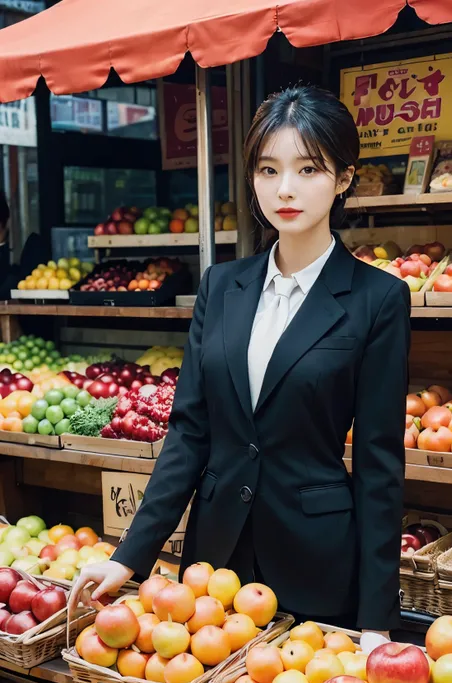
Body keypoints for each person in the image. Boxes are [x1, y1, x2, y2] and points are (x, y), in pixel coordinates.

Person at [70, 85, 410, 637]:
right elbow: (189, 432)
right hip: (214, 566)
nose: (286, 189)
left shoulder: (378, 299)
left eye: (308, 169)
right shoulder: (221, 286)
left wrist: (377, 619)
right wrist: (128, 556)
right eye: (269, 170)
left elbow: (378, 467)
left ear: (344, 178)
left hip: (317, 565)